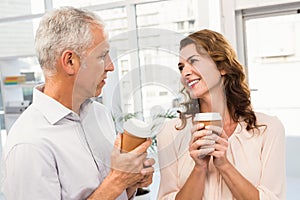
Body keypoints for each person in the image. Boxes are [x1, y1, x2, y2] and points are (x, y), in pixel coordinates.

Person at [1, 7, 154, 200]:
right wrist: (117, 180)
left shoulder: (100, 114)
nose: (111, 66)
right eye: (101, 56)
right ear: (70, 61)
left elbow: (115, 193)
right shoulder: (28, 144)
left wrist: (130, 183)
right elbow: (113, 185)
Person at [157, 29, 285, 199]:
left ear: (222, 67)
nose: (185, 73)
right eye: (181, 67)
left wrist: (224, 165)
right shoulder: (170, 132)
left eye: (193, 61)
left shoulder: (267, 129)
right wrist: (199, 168)